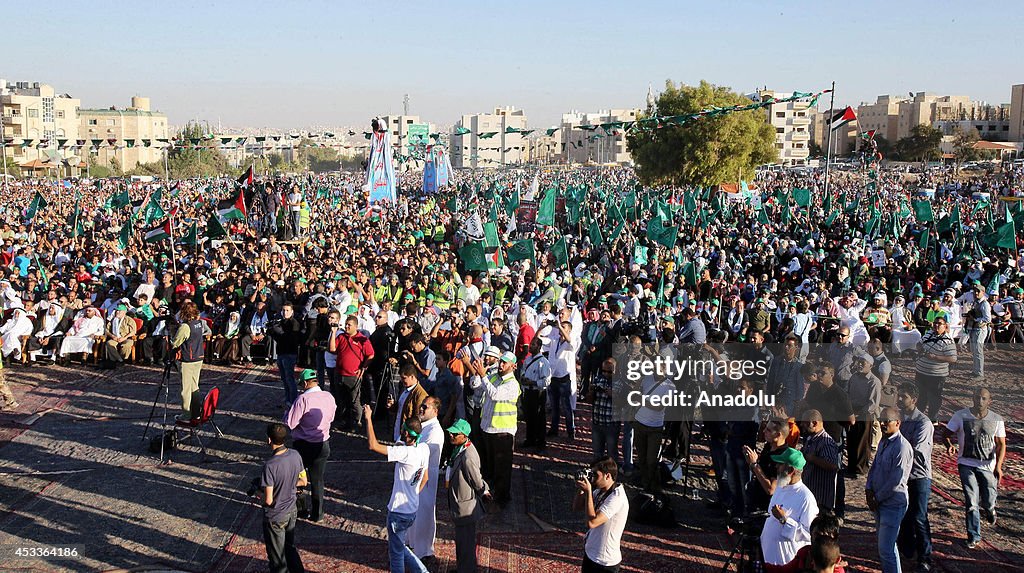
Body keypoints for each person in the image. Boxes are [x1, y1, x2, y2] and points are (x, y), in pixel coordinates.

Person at [363, 404, 430, 573]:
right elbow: (425, 477)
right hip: (412, 509)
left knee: (396, 555)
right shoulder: (424, 449)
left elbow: (373, 445)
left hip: (398, 513)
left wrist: (368, 418)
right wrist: (412, 495)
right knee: (399, 547)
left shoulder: (405, 454)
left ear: (407, 433)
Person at [942, 387, 1006, 549]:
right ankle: (974, 535)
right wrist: (949, 445)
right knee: (971, 501)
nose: (980, 401)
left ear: (990, 401)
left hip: (987, 466)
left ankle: (990, 508)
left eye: (984, 398)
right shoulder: (961, 416)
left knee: (989, 496)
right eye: (977, 397)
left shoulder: (996, 419)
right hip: (966, 464)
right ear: (972, 398)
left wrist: (998, 466)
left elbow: (1001, 444)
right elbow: (945, 434)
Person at [283, 369, 336, 523]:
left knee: (297, 477)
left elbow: (290, 423)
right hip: (323, 443)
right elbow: (331, 417)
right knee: (317, 480)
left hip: (303, 445)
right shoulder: (329, 397)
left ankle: (301, 509)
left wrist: (287, 413)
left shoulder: (303, 399)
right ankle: (317, 513)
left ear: (305, 383)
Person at [865, 407, 913, 573]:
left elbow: (896, 481)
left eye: (887, 421)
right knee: (886, 546)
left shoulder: (902, 447)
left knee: (886, 548)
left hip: (892, 503)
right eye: (881, 420)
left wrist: (877, 498)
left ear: (898, 423)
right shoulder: (884, 441)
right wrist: (868, 488)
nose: (883, 424)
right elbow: (875, 467)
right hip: (879, 501)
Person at [895, 383, 934, 572]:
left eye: (904, 397)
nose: (899, 399)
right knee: (904, 514)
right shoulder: (900, 418)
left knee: (919, 517)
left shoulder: (923, 423)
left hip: (918, 476)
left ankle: (925, 557)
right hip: (903, 475)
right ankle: (907, 548)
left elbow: (917, 451)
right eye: (899, 396)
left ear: (914, 400)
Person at [259, 422, 307, 573]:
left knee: (277, 559)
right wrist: (289, 485)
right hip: (292, 510)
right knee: (289, 547)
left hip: (276, 516)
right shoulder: (295, 454)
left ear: (269, 440)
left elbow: (268, 500)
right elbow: (303, 481)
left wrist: (258, 494)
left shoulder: (270, 465)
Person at [759, 448, 819, 567]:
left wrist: (784, 520)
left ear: (790, 470)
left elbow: (809, 534)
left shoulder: (806, 498)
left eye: (780, 464)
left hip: (786, 561)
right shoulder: (781, 487)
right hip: (767, 556)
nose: (776, 466)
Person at [444, 418, 490, 573]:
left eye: (455, 434)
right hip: (461, 504)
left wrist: (484, 491)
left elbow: (477, 481)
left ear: (464, 436)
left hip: (466, 506)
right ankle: (462, 568)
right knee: (462, 542)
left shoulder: (468, 456)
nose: (451, 436)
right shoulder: (460, 449)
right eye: (451, 433)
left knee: (466, 543)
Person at [478, 351, 521, 507]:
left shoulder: (512, 384)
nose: (501, 365)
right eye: (501, 361)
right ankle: (491, 490)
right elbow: (476, 384)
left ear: (513, 366)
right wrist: (480, 370)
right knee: (490, 464)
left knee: (502, 467)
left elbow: (494, 394)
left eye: (505, 363)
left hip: (503, 431)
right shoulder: (494, 376)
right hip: (488, 427)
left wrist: (483, 376)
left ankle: (503, 497)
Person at [573, 456, 629, 573]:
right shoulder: (600, 491)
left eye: (595, 475)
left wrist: (588, 492)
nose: (592, 478)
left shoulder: (617, 498)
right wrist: (581, 489)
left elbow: (592, 522)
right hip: (591, 554)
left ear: (607, 476)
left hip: (605, 562)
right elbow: (577, 507)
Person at [409, 396, 445, 565]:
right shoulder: (423, 426)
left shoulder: (435, 431)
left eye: (425, 407)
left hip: (426, 478)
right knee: (415, 513)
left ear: (435, 411)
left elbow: (420, 453)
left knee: (424, 513)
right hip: (416, 476)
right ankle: (413, 545)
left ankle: (424, 551)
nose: (421, 409)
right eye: (421, 406)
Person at [764, 512, 847, 573]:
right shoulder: (805, 554)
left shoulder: (837, 570)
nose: (820, 541)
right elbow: (784, 571)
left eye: (824, 538)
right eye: (817, 536)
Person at [331, 315, 375, 430]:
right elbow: (332, 349)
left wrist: (363, 368)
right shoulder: (341, 337)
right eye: (346, 324)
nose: (346, 326)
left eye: (349, 325)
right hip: (339, 373)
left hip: (353, 375)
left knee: (354, 400)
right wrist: (333, 333)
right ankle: (346, 422)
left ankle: (357, 421)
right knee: (342, 399)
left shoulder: (362, 339)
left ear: (355, 326)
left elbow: (370, 354)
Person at [169, 301, 208, 422]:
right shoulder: (199, 323)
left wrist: (171, 335)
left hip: (188, 359)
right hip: (198, 356)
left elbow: (175, 342)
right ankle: (196, 412)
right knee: (194, 386)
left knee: (185, 389)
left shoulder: (186, 326)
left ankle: (186, 414)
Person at [845, 350, 881, 477]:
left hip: (865, 414)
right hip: (852, 411)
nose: (860, 365)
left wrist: (859, 414)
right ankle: (851, 466)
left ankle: (860, 468)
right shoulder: (854, 377)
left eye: (863, 363)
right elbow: (847, 394)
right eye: (859, 362)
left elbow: (873, 404)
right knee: (851, 441)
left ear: (870, 366)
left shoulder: (874, 381)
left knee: (862, 443)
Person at [914, 317, 957, 420]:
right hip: (921, 372)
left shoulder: (948, 341)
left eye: (939, 323)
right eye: (935, 323)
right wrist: (919, 348)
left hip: (936, 375)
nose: (936, 325)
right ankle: (919, 416)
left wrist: (935, 357)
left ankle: (933, 419)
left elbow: (953, 358)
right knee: (921, 396)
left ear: (945, 326)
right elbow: (919, 343)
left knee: (934, 398)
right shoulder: (929, 334)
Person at [799, 410, 841, 515]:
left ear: (814, 423)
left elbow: (832, 465)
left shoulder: (826, 442)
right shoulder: (810, 439)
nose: (801, 425)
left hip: (820, 498)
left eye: (805, 422)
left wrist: (812, 458)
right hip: (810, 493)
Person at [269, 303, 305, 408]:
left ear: (292, 311)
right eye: (284, 310)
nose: (285, 313)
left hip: (290, 353)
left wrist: (278, 331)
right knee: (284, 378)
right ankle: (288, 398)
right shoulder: (282, 322)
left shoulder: (294, 323)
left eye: (288, 310)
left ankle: (293, 400)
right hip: (281, 352)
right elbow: (278, 338)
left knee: (289, 378)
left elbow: (290, 338)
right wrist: (272, 331)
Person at [520, 336, 551, 450]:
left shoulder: (543, 362)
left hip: (537, 393)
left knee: (539, 418)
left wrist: (533, 382)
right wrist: (523, 377)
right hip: (527, 392)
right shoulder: (528, 360)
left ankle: (540, 442)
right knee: (529, 417)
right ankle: (530, 439)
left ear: (539, 347)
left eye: (533, 344)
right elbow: (523, 370)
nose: (530, 346)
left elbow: (546, 381)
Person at [589, 358, 621, 463]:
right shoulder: (598, 379)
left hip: (611, 424)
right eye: (604, 371)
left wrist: (613, 395)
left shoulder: (621, 383)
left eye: (609, 372)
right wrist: (591, 391)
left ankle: (611, 475)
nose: (606, 374)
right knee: (597, 454)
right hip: (597, 422)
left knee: (612, 453)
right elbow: (589, 400)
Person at [391, 363, 428, 442]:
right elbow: (400, 410)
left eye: (404, 378)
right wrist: (391, 405)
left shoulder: (420, 395)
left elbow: (418, 419)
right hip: (398, 433)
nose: (402, 380)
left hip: (407, 436)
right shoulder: (405, 389)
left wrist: (410, 438)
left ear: (412, 377)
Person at [966, 283, 991, 380]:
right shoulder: (976, 302)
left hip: (980, 329)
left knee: (978, 352)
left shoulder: (984, 304)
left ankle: (980, 373)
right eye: (975, 291)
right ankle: (975, 371)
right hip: (974, 328)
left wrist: (975, 319)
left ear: (983, 292)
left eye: (978, 291)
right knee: (975, 351)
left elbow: (987, 319)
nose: (976, 293)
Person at [102, 303, 137, 369]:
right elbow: (106, 330)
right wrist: (112, 336)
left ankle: (123, 358)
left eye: (119, 311)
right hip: (115, 337)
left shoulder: (129, 320)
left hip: (126, 337)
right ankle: (119, 360)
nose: (117, 312)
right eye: (116, 310)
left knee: (127, 344)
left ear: (124, 312)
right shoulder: (113, 320)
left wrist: (124, 338)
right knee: (109, 344)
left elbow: (133, 331)